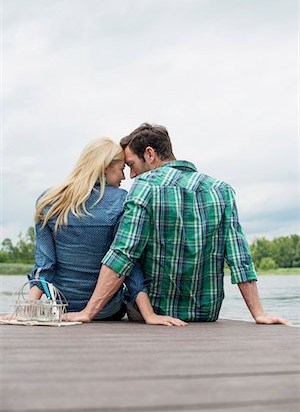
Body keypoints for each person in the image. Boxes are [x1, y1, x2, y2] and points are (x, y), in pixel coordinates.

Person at [65, 125, 288, 325]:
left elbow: (123, 253)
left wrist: (89, 312)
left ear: (150, 154)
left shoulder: (145, 186)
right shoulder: (221, 190)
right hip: (206, 314)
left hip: (152, 313)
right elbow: (239, 257)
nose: (131, 174)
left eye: (132, 165)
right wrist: (259, 313)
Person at [28, 137, 187, 326]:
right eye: (121, 169)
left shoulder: (48, 201)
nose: (124, 176)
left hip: (62, 307)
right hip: (106, 311)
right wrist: (149, 314)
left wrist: (28, 310)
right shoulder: (120, 200)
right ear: (105, 168)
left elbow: (44, 265)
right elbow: (127, 262)